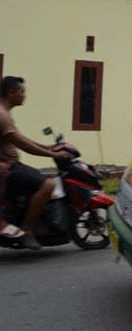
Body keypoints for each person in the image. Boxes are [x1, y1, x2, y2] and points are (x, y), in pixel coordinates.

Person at [0, 77, 72, 250]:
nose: (24, 96)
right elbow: (23, 145)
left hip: (11, 164)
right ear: (11, 93)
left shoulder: (5, 113)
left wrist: (47, 146)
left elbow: (20, 138)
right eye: (22, 92)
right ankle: (27, 230)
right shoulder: (2, 115)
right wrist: (53, 154)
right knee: (47, 184)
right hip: (8, 166)